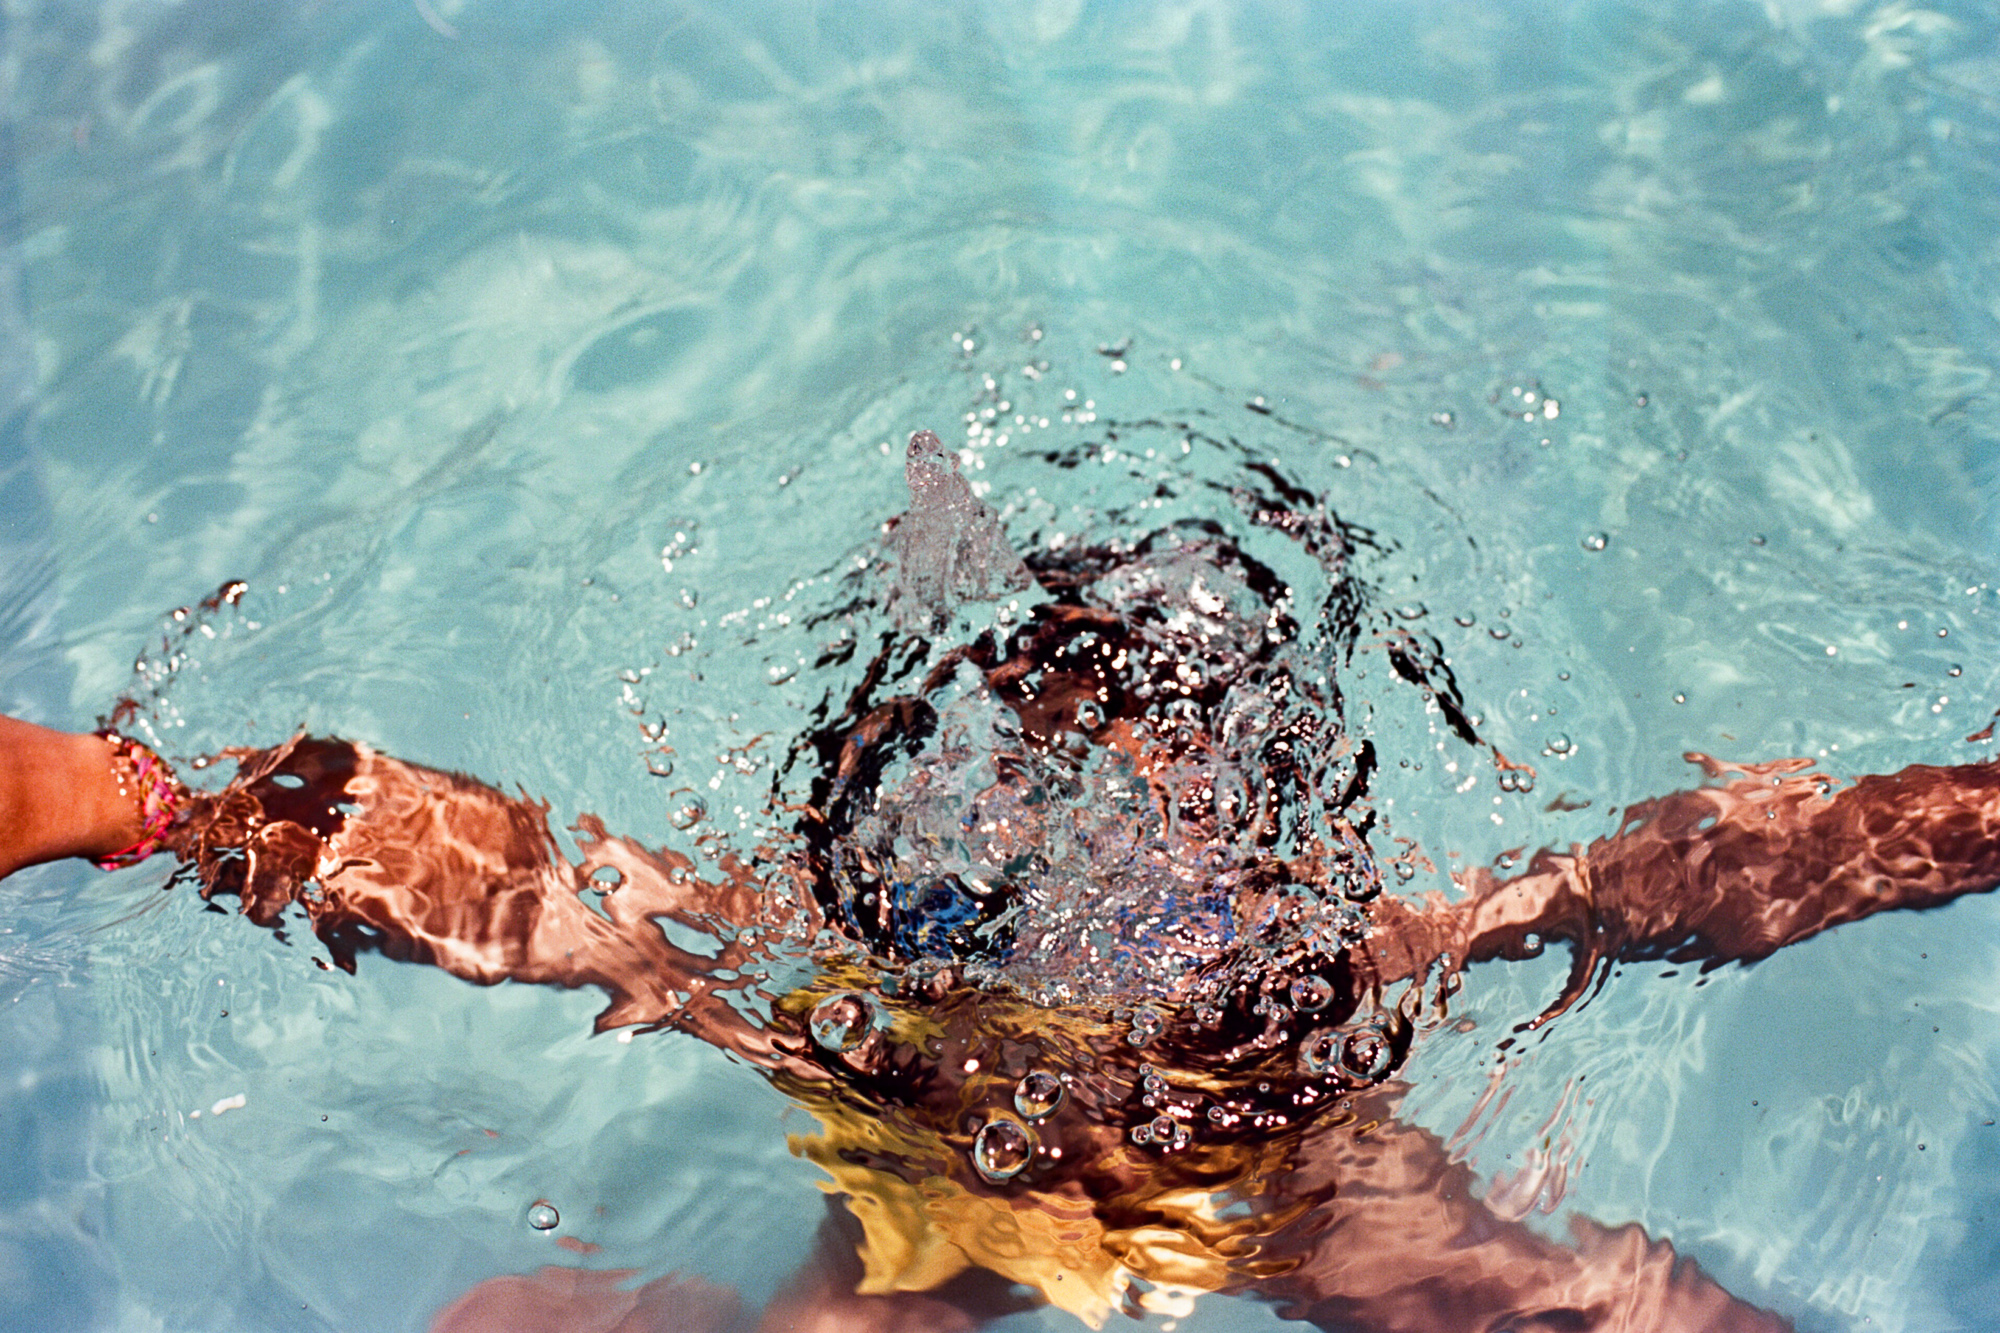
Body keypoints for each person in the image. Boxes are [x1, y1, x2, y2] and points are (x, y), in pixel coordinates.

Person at [4, 432, 1997, 1333]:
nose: (1127, 890)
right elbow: (533, 888)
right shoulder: (883, 981)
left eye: (1181, 844)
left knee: (1532, 1304)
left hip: (1270, 1171)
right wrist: (153, 806)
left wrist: (1966, 816)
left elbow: (1675, 873)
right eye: (1069, 820)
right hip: (943, 1178)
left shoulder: (1341, 973)